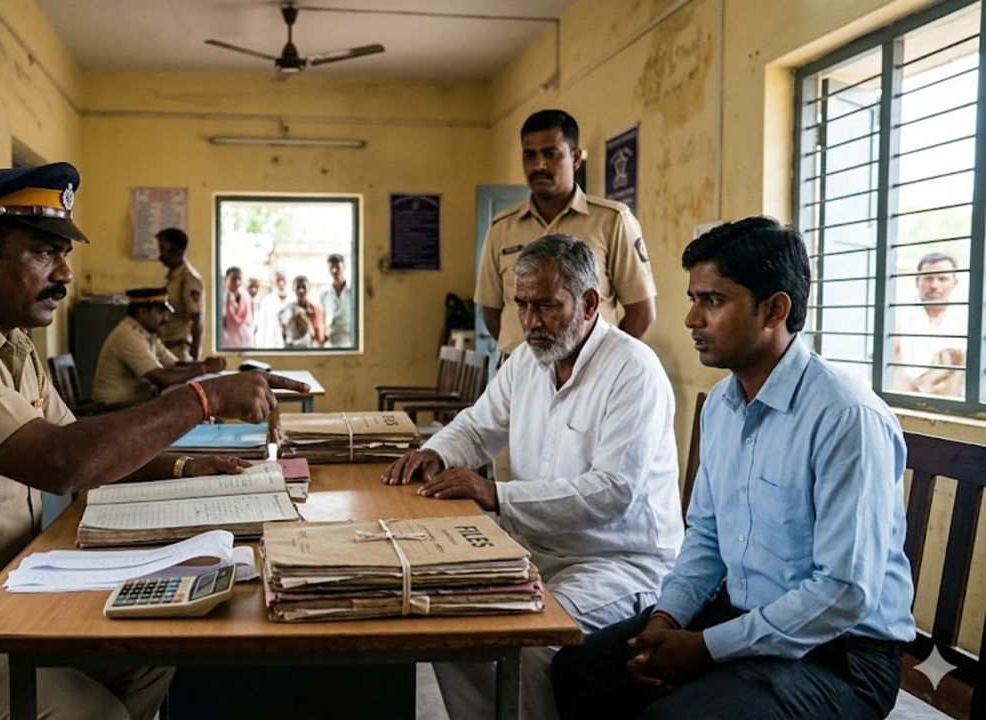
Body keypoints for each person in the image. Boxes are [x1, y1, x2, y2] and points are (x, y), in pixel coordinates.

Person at [0, 162, 308, 720]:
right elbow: (63, 463)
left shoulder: (11, 342)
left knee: (155, 652)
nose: (66, 275)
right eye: (45, 253)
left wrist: (182, 467)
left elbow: (73, 438)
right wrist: (204, 399)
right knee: (92, 715)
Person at [551, 216, 915, 720]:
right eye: (692, 298)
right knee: (582, 667)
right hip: (741, 617)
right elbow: (705, 534)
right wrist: (666, 617)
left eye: (713, 301)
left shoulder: (845, 417)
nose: (691, 319)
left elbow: (844, 593)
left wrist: (706, 647)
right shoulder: (723, 405)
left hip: (840, 657)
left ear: (774, 309)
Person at [382, 234, 682, 720]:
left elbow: (613, 492)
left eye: (546, 305)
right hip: (534, 549)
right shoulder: (528, 359)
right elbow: (479, 426)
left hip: (614, 562)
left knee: (527, 640)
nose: (530, 321)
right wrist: (434, 453)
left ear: (588, 303)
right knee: (444, 624)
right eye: (521, 305)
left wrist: (493, 493)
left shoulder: (633, 370)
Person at [476, 109, 657, 360]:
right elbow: (492, 311)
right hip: (517, 375)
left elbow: (641, 312)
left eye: (551, 154)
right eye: (530, 155)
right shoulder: (502, 228)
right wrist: (530, 360)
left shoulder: (612, 221)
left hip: (590, 374)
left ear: (575, 158)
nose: (539, 165)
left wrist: (600, 361)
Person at [92, 287, 228, 408]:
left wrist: (206, 364)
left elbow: (175, 364)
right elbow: (163, 378)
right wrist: (203, 369)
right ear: (143, 312)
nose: (165, 318)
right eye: (160, 312)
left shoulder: (148, 334)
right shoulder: (128, 335)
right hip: (114, 406)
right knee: (186, 407)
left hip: (135, 401)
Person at [893, 251, 968, 397]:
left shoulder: (966, 315)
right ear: (917, 282)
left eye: (942, 279)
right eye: (928, 278)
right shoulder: (899, 314)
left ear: (954, 283)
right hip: (906, 397)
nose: (934, 285)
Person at [156, 227, 203, 360]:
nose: (160, 255)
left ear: (178, 250)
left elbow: (197, 319)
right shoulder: (172, 278)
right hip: (167, 347)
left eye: (164, 249)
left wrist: (194, 358)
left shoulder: (189, 279)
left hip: (180, 350)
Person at [280, 275, 326, 348]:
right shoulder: (288, 309)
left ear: (309, 288)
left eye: (304, 287)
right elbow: (283, 334)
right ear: (293, 289)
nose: (301, 290)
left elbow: (320, 336)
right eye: (298, 287)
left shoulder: (316, 310)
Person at [321, 253, 353, 347]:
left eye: (337, 267)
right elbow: (323, 315)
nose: (334, 270)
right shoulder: (325, 293)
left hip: (350, 341)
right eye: (331, 267)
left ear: (344, 267)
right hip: (331, 341)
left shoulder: (352, 291)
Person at [256, 267, 291, 347]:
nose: (281, 282)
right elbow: (262, 328)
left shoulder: (293, 299)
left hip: (289, 347)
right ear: (273, 281)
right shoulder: (267, 301)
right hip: (271, 346)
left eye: (283, 279)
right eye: (278, 279)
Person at [221, 266, 254, 349]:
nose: (237, 282)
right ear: (226, 279)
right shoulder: (220, 299)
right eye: (233, 279)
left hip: (245, 341)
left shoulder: (246, 297)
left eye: (239, 279)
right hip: (227, 342)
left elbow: (249, 321)